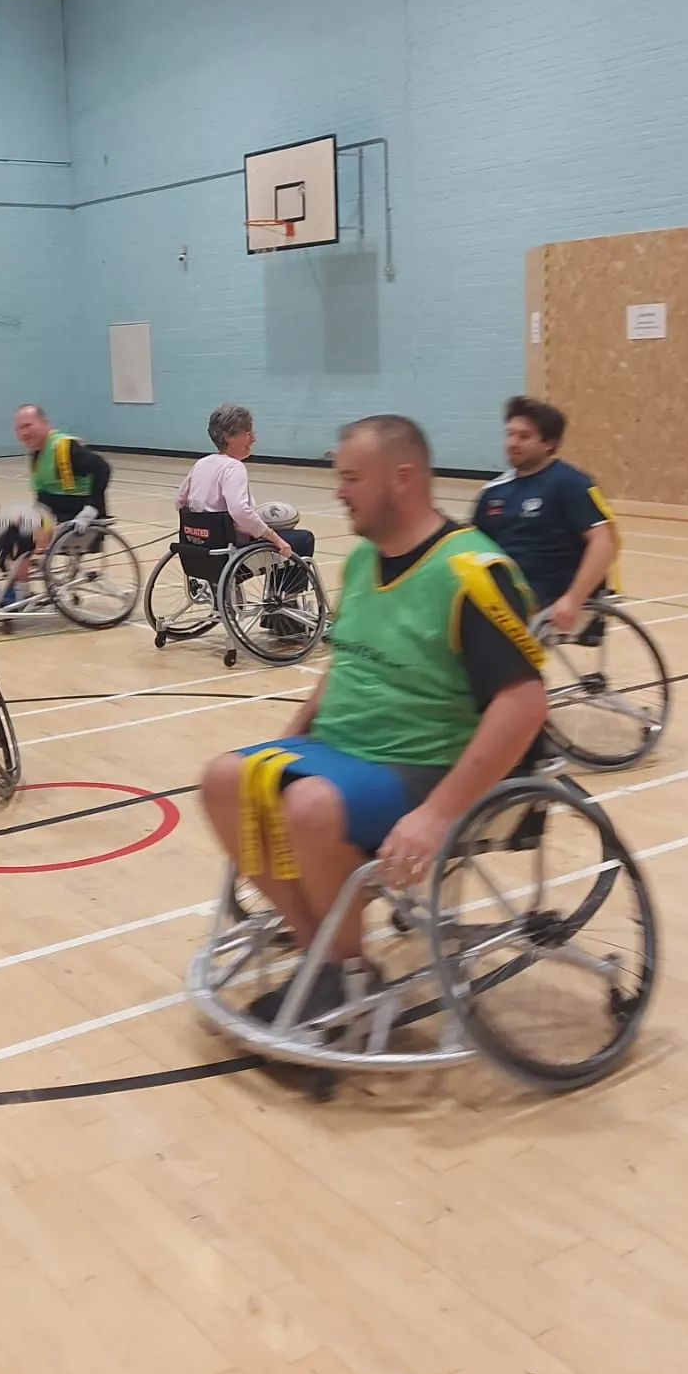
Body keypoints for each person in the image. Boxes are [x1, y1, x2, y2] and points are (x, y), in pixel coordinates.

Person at [199, 415, 548, 1024]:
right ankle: (328, 956)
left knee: (310, 807)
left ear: (402, 478)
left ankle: (341, 971)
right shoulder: (361, 561)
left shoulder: (471, 571)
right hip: (343, 750)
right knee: (224, 779)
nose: (339, 491)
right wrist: (294, 731)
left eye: (352, 478)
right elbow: (345, 662)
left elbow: (523, 703)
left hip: (423, 762)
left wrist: (438, 813)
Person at [472, 396, 618, 636]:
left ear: (548, 443)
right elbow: (472, 547)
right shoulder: (493, 492)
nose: (512, 442)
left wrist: (573, 599)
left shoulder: (569, 483)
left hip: (550, 600)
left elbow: (603, 542)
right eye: (509, 434)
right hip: (504, 597)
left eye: (524, 436)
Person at [176, 403, 316, 561]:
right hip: (231, 552)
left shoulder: (201, 464)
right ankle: (284, 586)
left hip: (198, 550)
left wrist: (201, 527)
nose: (254, 439)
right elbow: (240, 511)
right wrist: (274, 537)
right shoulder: (233, 467)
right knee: (303, 539)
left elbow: (180, 502)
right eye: (248, 434)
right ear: (228, 437)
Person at [13, 404, 112, 531]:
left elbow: (102, 468)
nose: (23, 432)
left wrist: (91, 508)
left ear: (44, 423)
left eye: (28, 426)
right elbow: (43, 490)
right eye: (19, 429)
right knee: (5, 522)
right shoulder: (37, 453)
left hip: (74, 515)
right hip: (51, 516)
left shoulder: (64, 447)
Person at [0, 499, 57, 612]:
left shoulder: (34, 515)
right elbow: (40, 540)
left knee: (9, 561)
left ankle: (13, 594)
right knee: (23, 560)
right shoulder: (40, 522)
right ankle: (19, 595)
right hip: (17, 528)